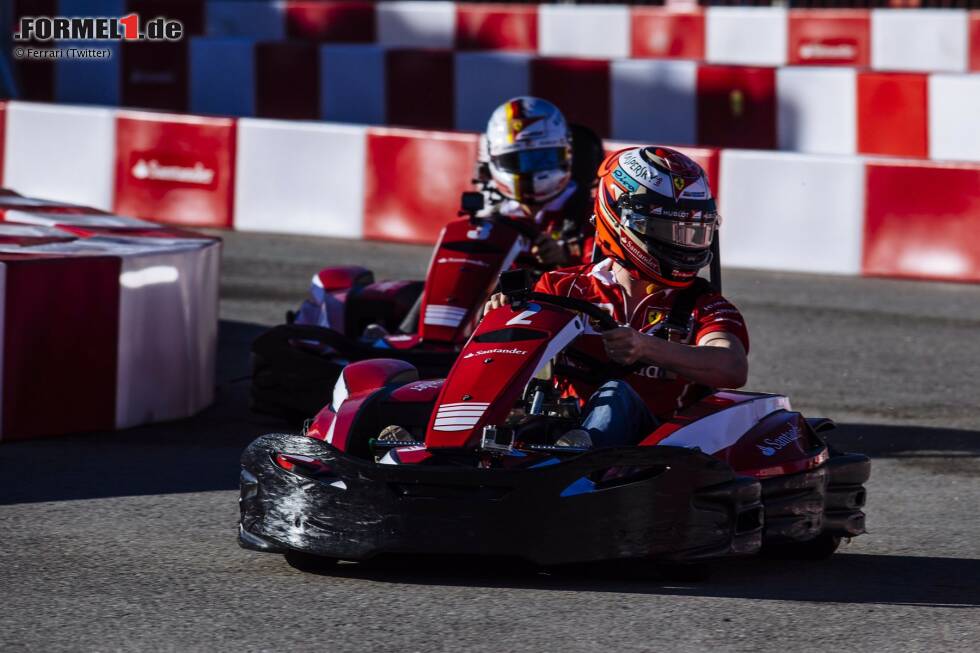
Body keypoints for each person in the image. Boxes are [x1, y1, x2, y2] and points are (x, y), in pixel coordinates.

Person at [484, 146, 750, 448]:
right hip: (562, 430)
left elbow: (732, 365)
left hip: (656, 451)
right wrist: (501, 321)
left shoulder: (704, 305)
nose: (684, 246)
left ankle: (578, 458)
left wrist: (646, 347)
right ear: (621, 222)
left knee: (616, 394)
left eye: (692, 233)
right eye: (670, 231)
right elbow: (509, 358)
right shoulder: (564, 288)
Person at [478, 96, 600, 268]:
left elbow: (605, 280)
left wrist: (565, 259)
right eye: (516, 161)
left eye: (543, 158)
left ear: (568, 153)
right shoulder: (490, 214)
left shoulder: (590, 213)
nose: (530, 171)